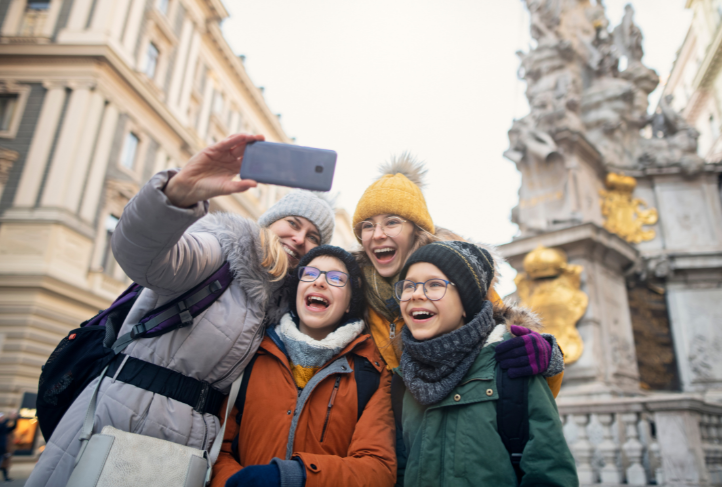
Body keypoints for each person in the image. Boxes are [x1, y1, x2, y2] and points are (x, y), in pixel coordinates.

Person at [26, 134, 335, 487]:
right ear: (269, 222)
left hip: (193, 443)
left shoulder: (283, 305)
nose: (299, 239)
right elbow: (143, 255)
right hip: (122, 418)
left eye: (313, 237)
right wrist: (175, 197)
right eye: (293, 224)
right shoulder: (221, 248)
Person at [352, 154, 564, 387]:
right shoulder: (355, 291)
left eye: (392, 222)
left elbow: (511, 333)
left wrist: (547, 359)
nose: (378, 234)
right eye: (367, 226)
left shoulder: (460, 275)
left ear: (417, 230)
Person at [395, 242, 578, 486]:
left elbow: (550, 472)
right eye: (409, 286)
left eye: (435, 284)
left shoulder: (511, 366)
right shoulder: (401, 380)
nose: (416, 294)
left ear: (466, 304)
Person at [212, 245, 395, 487]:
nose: (319, 282)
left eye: (336, 278)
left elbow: (378, 468)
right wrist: (235, 482)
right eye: (310, 274)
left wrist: (296, 477)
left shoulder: (370, 370)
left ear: (350, 302)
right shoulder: (253, 352)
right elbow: (218, 448)